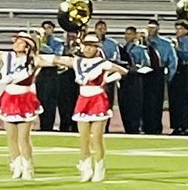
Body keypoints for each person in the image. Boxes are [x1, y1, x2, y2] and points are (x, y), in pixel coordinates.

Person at [48, 33, 128, 181]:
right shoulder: (77, 61)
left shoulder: (103, 63)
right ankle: (86, 167)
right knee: (83, 138)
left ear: (97, 48)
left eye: (91, 46)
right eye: (86, 46)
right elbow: (58, 60)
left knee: (97, 138)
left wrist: (107, 79)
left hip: (98, 99)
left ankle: (99, 166)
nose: (88, 49)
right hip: (83, 99)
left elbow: (123, 71)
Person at [0, 32, 46, 180]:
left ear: (27, 46)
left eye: (20, 42)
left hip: (25, 98)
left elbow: (53, 61)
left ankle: (28, 166)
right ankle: (16, 165)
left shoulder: (34, 60)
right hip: (9, 98)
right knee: (11, 137)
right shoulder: (7, 56)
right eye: (16, 41)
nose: (16, 44)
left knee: (23, 138)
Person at [143, 18, 177, 136]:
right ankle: (145, 125)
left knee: (157, 101)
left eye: (153, 27)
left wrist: (169, 78)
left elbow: (173, 61)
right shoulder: (143, 42)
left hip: (158, 72)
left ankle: (156, 126)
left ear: (158, 28)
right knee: (144, 101)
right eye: (149, 27)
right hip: (144, 73)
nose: (151, 30)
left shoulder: (165, 43)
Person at [118, 27, 152, 134]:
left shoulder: (140, 49)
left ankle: (135, 127)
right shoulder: (122, 48)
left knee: (135, 104)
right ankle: (127, 126)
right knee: (124, 104)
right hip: (124, 78)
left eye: (130, 34)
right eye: (126, 34)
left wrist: (137, 67)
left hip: (136, 78)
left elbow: (147, 64)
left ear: (134, 35)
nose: (127, 36)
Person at [170, 21, 188, 134]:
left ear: (186, 30)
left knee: (184, 101)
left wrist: (177, 50)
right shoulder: (175, 41)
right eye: (177, 29)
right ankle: (177, 125)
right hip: (176, 73)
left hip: (185, 73)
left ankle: (185, 125)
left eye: (180, 29)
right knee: (175, 101)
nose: (177, 31)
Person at [37, 19, 64, 132]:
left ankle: (49, 126)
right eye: (44, 28)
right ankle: (42, 125)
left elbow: (58, 55)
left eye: (48, 28)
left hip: (52, 73)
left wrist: (42, 46)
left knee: (50, 101)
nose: (46, 30)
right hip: (41, 72)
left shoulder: (58, 42)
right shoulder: (37, 41)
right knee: (41, 99)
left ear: (53, 29)